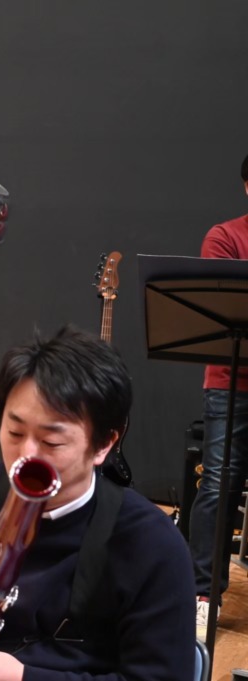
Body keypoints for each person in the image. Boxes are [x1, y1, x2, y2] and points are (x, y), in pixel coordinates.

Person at [0, 326, 195, 681]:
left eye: (52, 442)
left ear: (104, 444)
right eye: (15, 432)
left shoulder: (153, 544)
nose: (26, 455)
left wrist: (22, 678)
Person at [188, 152, 248, 641]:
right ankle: (203, 596)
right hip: (234, 383)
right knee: (218, 484)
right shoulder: (225, 237)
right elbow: (223, 305)